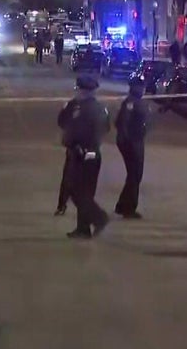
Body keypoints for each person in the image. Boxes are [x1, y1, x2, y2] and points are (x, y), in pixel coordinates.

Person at [57, 75, 111, 239]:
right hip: (93, 154)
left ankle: (99, 217)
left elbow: (65, 124)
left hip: (81, 154)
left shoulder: (80, 108)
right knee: (86, 192)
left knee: (77, 191)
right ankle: (83, 228)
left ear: (82, 90)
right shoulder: (99, 107)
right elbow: (107, 128)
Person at [113, 81, 149, 219]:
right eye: (142, 87)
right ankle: (128, 208)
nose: (143, 90)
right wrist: (129, 140)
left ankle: (123, 205)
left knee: (134, 175)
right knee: (135, 175)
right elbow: (121, 123)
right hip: (133, 143)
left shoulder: (135, 101)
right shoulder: (131, 103)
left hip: (135, 141)